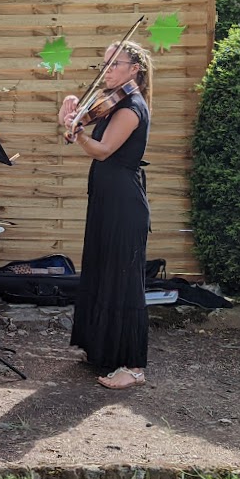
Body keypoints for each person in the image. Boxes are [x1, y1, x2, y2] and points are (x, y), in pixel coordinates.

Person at [57, 39, 153, 391]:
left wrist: (80, 134)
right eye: (104, 64)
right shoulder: (111, 104)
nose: (106, 71)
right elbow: (76, 128)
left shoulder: (131, 108)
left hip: (124, 204)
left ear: (134, 70)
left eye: (114, 64)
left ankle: (133, 366)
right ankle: (101, 349)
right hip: (106, 200)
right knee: (101, 272)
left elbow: (102, 150)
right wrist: (68, 113)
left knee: (125, 282)